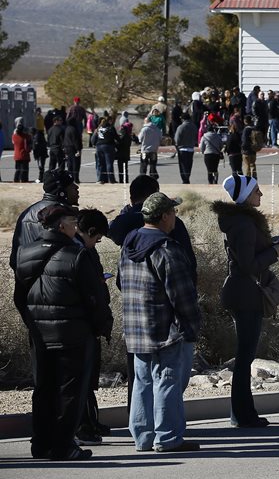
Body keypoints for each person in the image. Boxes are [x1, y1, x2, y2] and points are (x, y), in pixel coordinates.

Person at [11, 205, 110, 460]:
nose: (76, 226)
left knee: (44, 389)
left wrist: (33, 323)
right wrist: (99, 327)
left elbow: (19, 297)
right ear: (61, 225)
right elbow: (94, 297)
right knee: (70, 392)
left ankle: (41, 443)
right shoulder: (77, 255)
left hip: (39, 335)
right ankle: (63, 445)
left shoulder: (24, 253)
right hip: (73, 334)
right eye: (72, 221)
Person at [121, 193, 202, 451]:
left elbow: (122, 284)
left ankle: (143, 437)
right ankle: (167, 438)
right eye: (173, 212)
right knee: (167, 381)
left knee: (142, 382)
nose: (175, 217)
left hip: (135, 326)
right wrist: (191, 325)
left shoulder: (129, 244)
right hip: (164, 328)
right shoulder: (166, 249)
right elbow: (182, 294)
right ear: (165, 215)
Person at [214, 174, 279, 429]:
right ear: (245, 195)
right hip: (246, 294)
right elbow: (248, 265)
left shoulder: (240, 222)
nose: (261, 195)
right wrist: (274, 253)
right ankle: (242, 414)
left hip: (242, 292)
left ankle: (244, 413)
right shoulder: (244, 224)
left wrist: (272, 247)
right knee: (245, 357)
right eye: (256, 190)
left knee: (245, 356)